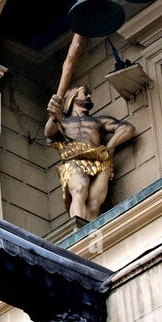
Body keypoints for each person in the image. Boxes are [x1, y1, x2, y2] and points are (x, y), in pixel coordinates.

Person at [45, 84, 135, 223]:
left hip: (99, 161)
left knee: (94, 205)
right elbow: (49, 132)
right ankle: (78, 230)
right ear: (73, 97)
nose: (89, 96)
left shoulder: (99, 121)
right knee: (80, 187)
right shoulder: (62, 123)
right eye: (85, 93)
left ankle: (89, 234)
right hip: (73, 160)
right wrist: (53, 114)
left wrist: (111, 145)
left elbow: (128, 128)